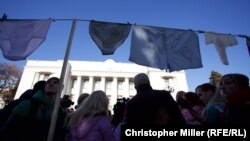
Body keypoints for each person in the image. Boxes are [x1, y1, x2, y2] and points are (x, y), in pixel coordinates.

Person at [0, 77, 66, 141]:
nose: (51, 84)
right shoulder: (27, 104)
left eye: (55, 82)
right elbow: (9, 130)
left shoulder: (61, 111)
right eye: (48, 83)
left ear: (61, 88)